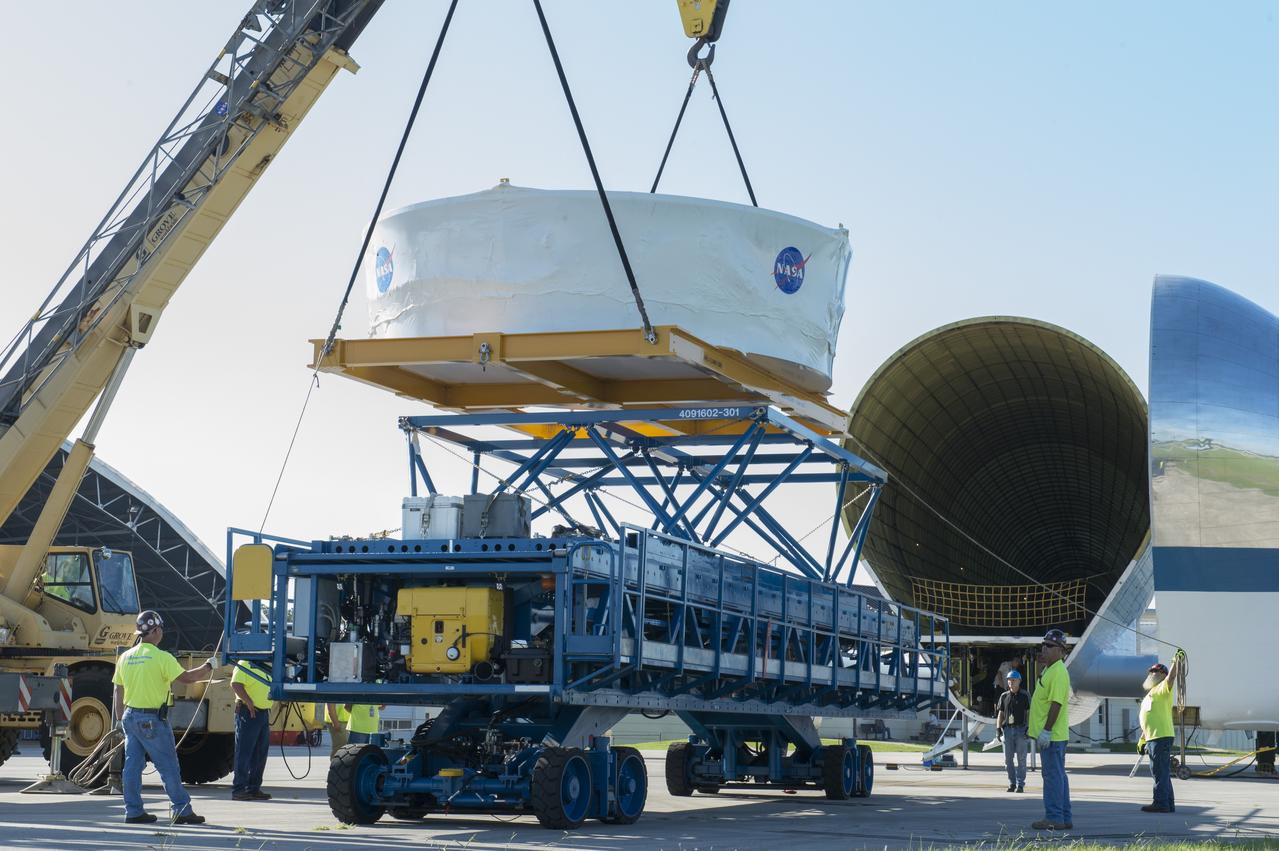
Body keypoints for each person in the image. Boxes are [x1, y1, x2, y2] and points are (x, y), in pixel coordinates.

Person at [112, 610, 212, 825]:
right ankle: (181, 810)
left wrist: (120, 719)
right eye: (161, 629)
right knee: (168, 766)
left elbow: (118, 689)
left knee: (132, 767)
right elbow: (187, 678)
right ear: (156, 630)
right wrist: (208, 666)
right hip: (152, 720)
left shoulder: (125, 657)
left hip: (129, 717)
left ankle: (133, 811)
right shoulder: (161, 657)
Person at [1029, 628, 1072, 831]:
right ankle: (1063, 817)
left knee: (1053, 777)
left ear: (1061, 651)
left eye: (1050, 646)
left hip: (1052, 736)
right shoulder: (1050, 669)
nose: (1044, 649)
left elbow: (1056, 704)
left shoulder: (1058, 672)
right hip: (1052, 736)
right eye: (1043, 645)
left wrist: (1046, 730)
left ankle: (1054, 817)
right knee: (1058, 776)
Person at [1138, 650, 1184, 813]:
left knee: (1159, 771)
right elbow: (1148, 719)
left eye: (1156, 671)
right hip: (1153, 737)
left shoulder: (1163, 688)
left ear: (1163, 674)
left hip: (1161, 736)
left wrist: (1175, 661)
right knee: (1162, 771)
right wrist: (1142, 739)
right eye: (1151, 671)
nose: (1152, 673)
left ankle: (1160, 802)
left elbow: (1172, 677)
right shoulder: (1151, 693)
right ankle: (1168, 803)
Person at [230, 660, 273, 801]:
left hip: (262, 713)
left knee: (260, 753)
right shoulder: (244, 663)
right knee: (244, 752)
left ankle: (253, 788)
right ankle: (238, 789)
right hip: (248, 712)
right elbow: (236, 684)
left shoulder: (264, 666)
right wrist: (248, 702)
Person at [996, 669, 1030, 793]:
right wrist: (998, 729)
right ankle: (1012, 783)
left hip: (1021, 730)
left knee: (1021, 759)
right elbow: (1000, 713)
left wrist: (1028, 728)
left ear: (1019, 681)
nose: (1011, 682)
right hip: (1008, 730)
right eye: (1009, 680)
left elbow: (1029, 713)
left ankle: (1020, 784)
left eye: (1013, 680)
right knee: (1008, 759)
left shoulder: (1025, 695)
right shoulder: (1004, 696)